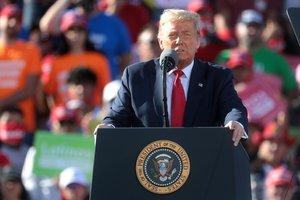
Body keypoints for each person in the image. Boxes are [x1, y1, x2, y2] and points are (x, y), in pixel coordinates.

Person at [94, 8, 248, 147]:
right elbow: (117, 117)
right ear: (161, 42)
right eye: (172, 35)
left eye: (186, 34)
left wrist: (234, 122)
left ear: (197, 42)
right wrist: (108, 127)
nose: (179, 41)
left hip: (199, 160)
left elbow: (233, 107)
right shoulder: (136, 76)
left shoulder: (217, 77)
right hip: (148, 163)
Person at [0, 4, 41, 144]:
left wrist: (2, 103)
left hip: (23, 124)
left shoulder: (31, 50)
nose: (13, 23)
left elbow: (30, 89)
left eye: (17, 20)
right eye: (9, 18)